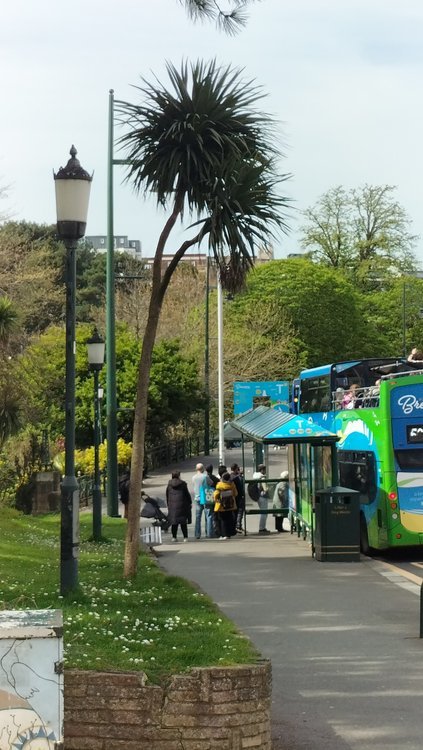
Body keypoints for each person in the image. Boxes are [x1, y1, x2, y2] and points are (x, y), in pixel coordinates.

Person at [166, 470, 192, 542]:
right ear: (178, 476)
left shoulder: (169, 484)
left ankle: (174, 537)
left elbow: (167, 495)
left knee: (174, 522)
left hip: (172, 506)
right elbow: (187, 494)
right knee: (183, 522)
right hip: (182, 505)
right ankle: (185, 537)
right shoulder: (183, 484)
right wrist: (190, 502)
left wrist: (169, 504)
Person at [213, 471, 237, 539]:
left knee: (222, 520)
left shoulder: (219, 485)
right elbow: (235, 494)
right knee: (229, 519)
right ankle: (228, 534)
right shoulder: (232, 485)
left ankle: (223, 534)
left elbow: (215, 494)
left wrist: (215, 500)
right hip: (230, 505)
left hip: (221, 506)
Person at [252, 463, 271, 534]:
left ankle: (262, 527)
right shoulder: (262, 477)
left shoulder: (255, 476)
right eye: (264, 469)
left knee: (262, 512)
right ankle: (262, 528)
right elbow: (265, 489)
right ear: (262, 470)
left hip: (257, 496)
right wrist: (269, 488)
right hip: (263, 496)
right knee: (264, 513)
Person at [192, 463, 208, 539]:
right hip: (204, 498)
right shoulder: (205, 477)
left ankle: (197, 534)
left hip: (197, 497)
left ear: (196, 469)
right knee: (207, 516)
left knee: (198, 517)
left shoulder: (193, 477)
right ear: (202, 469)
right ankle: (208, 532)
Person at [204, 464, 219, 537]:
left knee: (207, 515)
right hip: (212, 498)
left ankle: (207, 532)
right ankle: (211, 533)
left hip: (205, 497)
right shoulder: (215, 479)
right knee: (211, 515)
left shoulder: (204, 478)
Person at [230, 462, 245, 534]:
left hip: (231, 497)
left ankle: (234, 527)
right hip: (238, 497)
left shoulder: (229, 476)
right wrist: (242, 495)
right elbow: (240, 488)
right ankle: (238, 526)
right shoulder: (236, 478)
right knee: (239, 511)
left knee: (233, 513)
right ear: (236, 469)